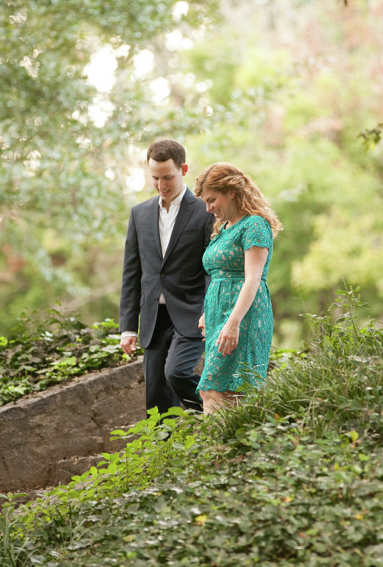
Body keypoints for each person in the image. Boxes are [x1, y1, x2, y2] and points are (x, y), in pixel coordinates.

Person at [119, 139, 215, 415]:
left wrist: (209, 310)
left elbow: (211, 268)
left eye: (167, 177)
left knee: (177, 373)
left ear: (183, 169)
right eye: (155, 178)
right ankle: (170, 440)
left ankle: (219, 413)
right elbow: (132, 273)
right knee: (155, 393)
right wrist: (128, 327)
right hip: (153, 316)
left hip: (191, 312)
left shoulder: (204, 211)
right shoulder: (139, 214)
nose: (161, 185)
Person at [194, 162, 282, 414]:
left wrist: (233, 323)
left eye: (212, 200)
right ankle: (231, 439)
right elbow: (220, 277)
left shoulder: (254, 225)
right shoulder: (223, 229)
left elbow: (252, 279)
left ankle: (219, 440)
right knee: (223, 391)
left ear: (232, 192)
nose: (208, 208)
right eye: (205, 202)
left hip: (244, 316)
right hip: (219, 316)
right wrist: (208, 313)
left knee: (218, 389)